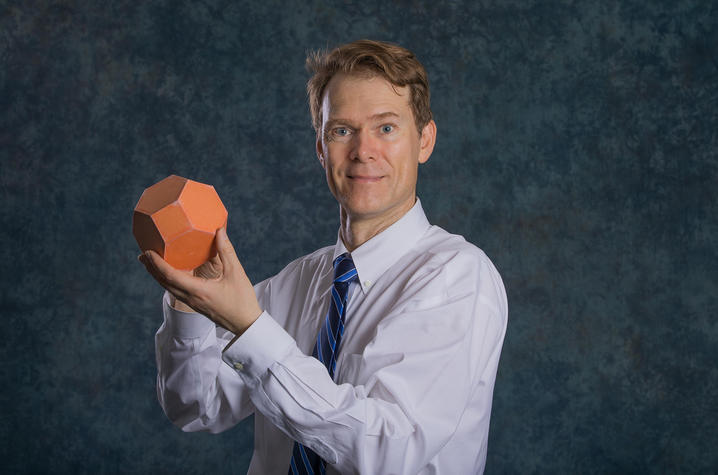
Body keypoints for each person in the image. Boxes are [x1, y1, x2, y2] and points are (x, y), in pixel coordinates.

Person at [139, 39, 508, 474]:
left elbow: (390, 451)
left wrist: (250, 329)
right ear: (320, 147)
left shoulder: (458, 277)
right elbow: (197, 408)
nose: (362, 150)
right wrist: (188, 300)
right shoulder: (296, 283)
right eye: (342, 130)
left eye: (386, 128)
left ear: (424, 141)